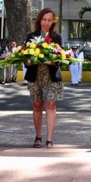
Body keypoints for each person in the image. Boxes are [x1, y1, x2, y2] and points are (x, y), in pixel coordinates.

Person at [24, 8, 64, 149]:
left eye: (49, 20)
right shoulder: (31, 36)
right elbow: (25, 57)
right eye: (44, 19)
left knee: (51, 104)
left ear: (53, 21)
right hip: (35, 76)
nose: (46, 23)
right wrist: (27, 62)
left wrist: (54, 60)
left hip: (51, 76)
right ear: (39, 20)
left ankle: (49, 139)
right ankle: (38, 136)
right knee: (37, 105)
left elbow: (61, 56)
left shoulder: (56, 37)